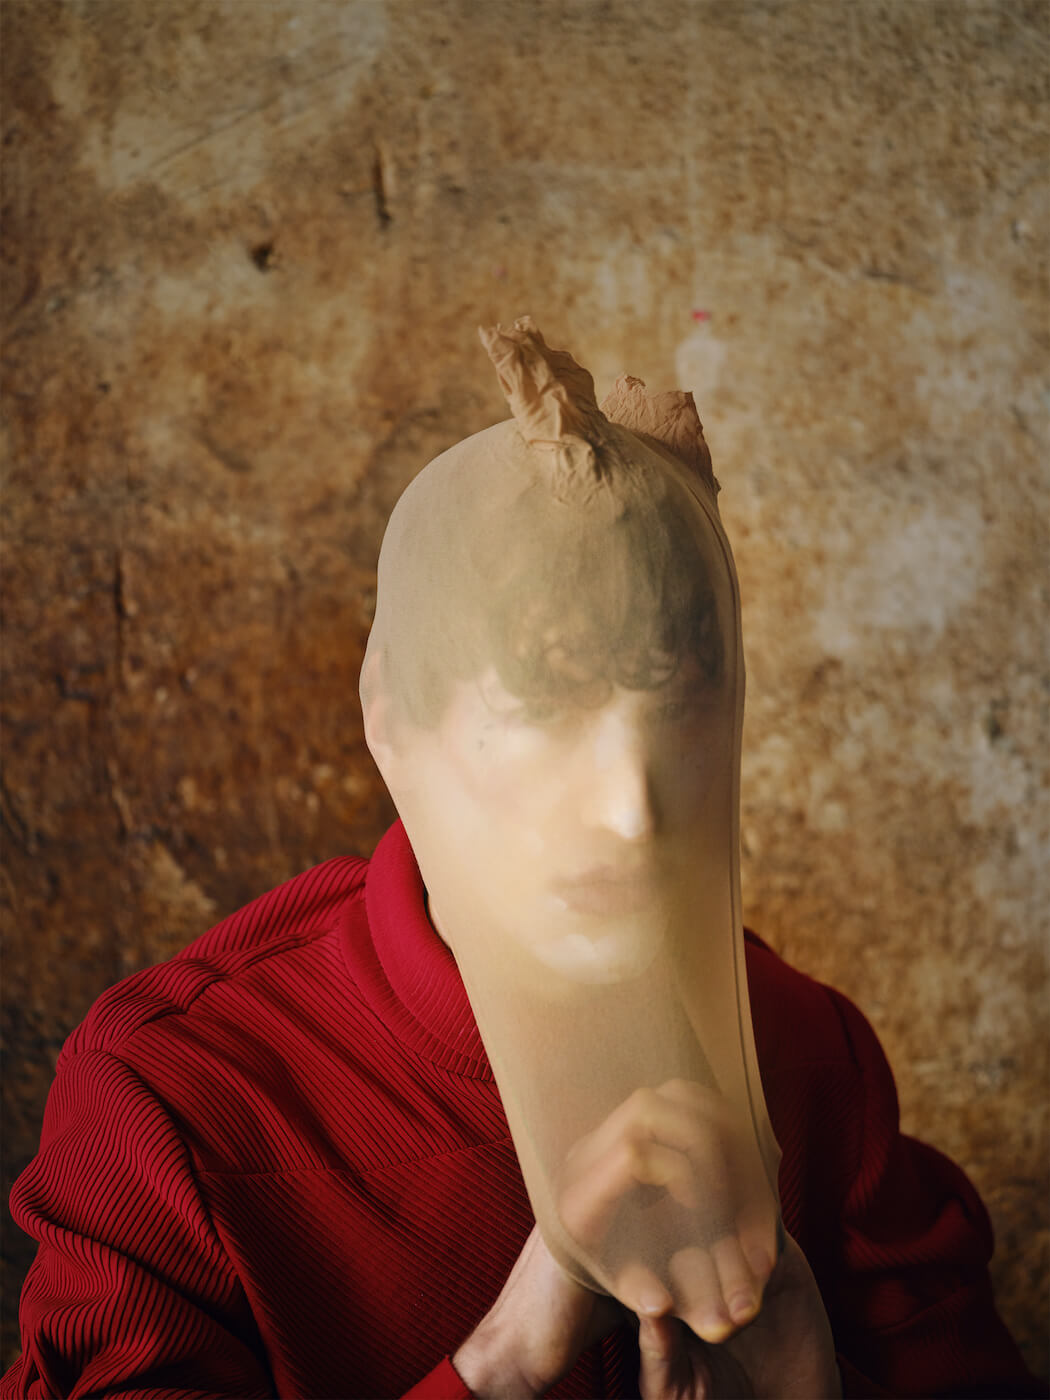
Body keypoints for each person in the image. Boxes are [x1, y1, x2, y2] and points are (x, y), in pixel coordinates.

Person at [2, 321, 1042, 1400]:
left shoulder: (813, 1055)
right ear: (394, 720)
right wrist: (504, 1360)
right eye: (546, 706)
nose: (633, 809)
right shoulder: (170, 1100)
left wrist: (816, 1389)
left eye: (680, 704)